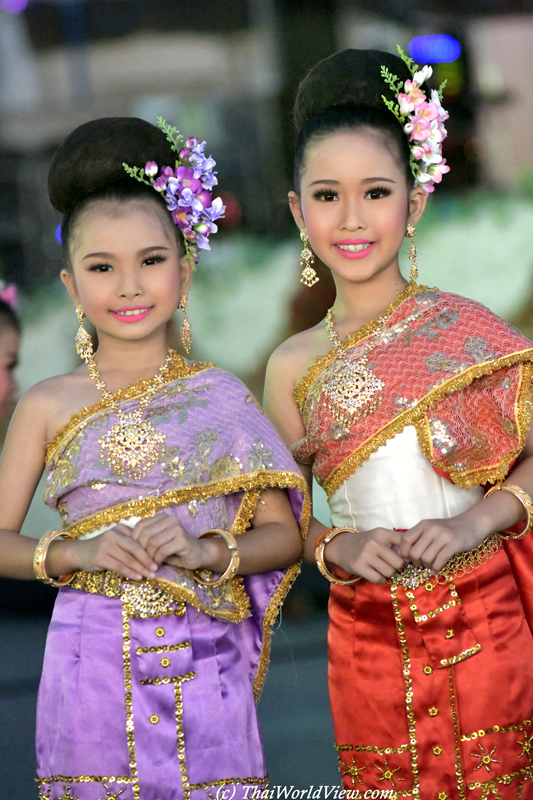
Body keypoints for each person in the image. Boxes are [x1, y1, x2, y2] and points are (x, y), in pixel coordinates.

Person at [0, 117, 307, 800]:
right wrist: (75, 554)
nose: (129, 286)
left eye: (150, 259)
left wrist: (208, 549)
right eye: (102, 268)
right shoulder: (48, 405)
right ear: (73, 287)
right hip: (89, 671)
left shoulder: (223, 396)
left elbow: (284, 537)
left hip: (208, 665)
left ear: (185, 267)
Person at [265, 47, 533, 798]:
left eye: (376, 192)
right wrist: (336, 544)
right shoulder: (290, 365)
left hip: (491, 625)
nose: (351, 219)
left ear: (412, 204)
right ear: (296, 210)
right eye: (326, 195)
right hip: (367, 642)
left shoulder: (471, 332)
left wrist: (476, 521)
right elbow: (277, 516)